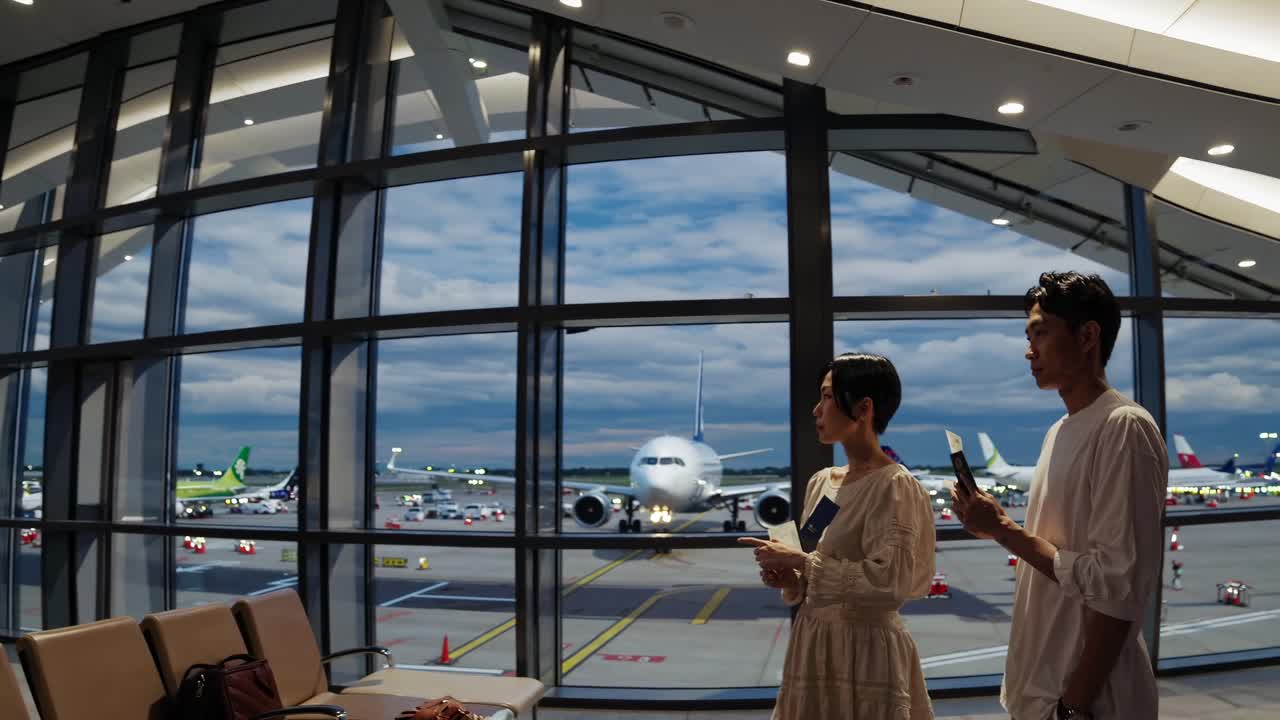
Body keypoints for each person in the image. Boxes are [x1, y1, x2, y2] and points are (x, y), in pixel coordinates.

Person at [951, 271, 1168, 720]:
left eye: (1041, 333)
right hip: (1045, 686)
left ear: (1088, 335)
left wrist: (1073, 704)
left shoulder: (1123, 426)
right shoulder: (1060, 430)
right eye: (1028, 335)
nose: (1029, 350)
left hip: (1085, 699)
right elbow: (1060, 554)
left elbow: (1116, 588)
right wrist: (992, 529)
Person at [739, 353, 936, 719]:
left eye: (827, 397)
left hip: (865, 651)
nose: (816, 410)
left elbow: (890, 583)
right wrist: (790, 576)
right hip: (813, 641)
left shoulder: (896, 486)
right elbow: (816, 570)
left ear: (863, 409)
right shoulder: (822, 483)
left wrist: (801, 562)